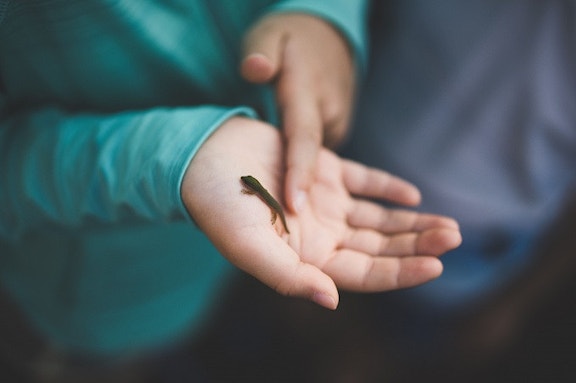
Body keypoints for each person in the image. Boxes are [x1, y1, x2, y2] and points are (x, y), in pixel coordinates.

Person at [0, 0, 462, 377]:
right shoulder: (252, 190)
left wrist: (323, 14)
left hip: (208, 273)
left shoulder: (256, 191)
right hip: (98, 305)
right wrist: (186, 158)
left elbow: (255, 192)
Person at [341, 0, 576, 376]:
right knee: (301, 322)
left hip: (465, 262)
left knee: (376, 358)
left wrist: (515, 302)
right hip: (343, 177)